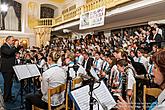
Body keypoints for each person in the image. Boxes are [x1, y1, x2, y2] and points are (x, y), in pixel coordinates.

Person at [0, 36, 19, 102]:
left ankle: (9, 96)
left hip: (11, 68)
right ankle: (6, 98)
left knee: (10, 83)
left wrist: (18, 46)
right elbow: (9, 52)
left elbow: (14, 51)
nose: (13, 41)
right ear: (8, 40)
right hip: (6, 68)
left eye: (14, 40)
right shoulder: (3, 47)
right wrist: (15, 46)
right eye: (12, 40)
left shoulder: (10, 47)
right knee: (7, 83)